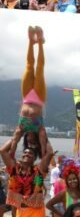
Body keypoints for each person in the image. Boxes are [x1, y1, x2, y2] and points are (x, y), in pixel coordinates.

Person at [0, 136, 54, 217]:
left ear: (34, 158)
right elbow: (3, 151)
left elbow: (49, 153)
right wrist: (18, 134)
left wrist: (42, 134)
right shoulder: (14, 170)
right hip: (20, 212)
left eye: (31, 153)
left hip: (36, 212)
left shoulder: (38, 171)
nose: (27, 154)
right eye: (25, 152)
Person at [12, 26, 50, 159]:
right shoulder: (40, 130)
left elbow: (15, 139)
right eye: (35, 145)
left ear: (26, 139)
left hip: (27, 97)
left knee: (29, 67)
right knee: (39, 69)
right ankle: (39, 42)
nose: (32, 143)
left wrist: (12, 154)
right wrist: (44, 152)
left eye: (30, 143)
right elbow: (45, 149)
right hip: (39, 98)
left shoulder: (22, 129)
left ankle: (30, 41)